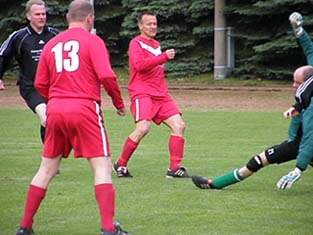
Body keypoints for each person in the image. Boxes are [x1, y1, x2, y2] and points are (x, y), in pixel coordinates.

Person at [15, 1, 131, 235]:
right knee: (102, 167)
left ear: (68, 17)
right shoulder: (93, 41)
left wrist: (55, 101)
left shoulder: (52, 44)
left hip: (55, 109)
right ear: (90, 18)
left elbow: (39, 83)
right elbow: (107, 76)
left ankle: (24, 226)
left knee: (46, 169)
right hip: (84, 108)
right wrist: (118, 103)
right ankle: (109, 228)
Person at [192, 65, 313, 190]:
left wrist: (298, 169)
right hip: (300, 144)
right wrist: (297, 107)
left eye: (298, 83)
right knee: (259, 159)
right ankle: (214, 183)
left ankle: (214, 184)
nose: (293, 85)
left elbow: (310, 137)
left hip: (306, 144)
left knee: (261, 159)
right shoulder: (306, 99)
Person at [112, 11, 189, 178]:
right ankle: (120, 164)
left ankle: (174, 168)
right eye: (149, 24)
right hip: (142, 93)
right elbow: (139, 66)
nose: (153, 27)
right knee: (143, 128)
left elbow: (155, 69)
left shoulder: (156, 44)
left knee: (179, 126)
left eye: (155, 23)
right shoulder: (136, 43)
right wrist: (163, 57)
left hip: (161, 95)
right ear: (140, 26)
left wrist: (162, 58)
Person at [0, 0, 58, 143]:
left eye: (43, 14)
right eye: (37, 14)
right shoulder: (19, 37)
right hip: (31, 88)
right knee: (46, 117)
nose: (41, 17)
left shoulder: (55, 35)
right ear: (28, 16)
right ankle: (50, 159)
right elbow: (3, 56)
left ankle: (51, 160)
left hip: (54, 88)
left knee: (55, 121)